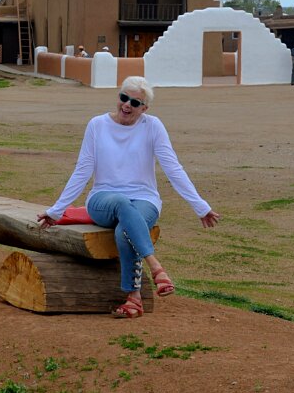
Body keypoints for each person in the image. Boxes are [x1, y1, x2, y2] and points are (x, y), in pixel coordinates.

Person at [37, 77, 221, 319]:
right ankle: (156, 266)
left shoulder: (153, 126)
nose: (127, 105)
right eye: (124, 98)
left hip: (145, 199)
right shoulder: (97, 125)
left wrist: (200, 206)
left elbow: (172, 168)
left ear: (144, 108)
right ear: (118, 97)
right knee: (122, 203)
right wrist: (57, 210)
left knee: (124, 230)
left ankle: (133, 299)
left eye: (135, 102)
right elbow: (83, 169)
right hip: (103, 199)